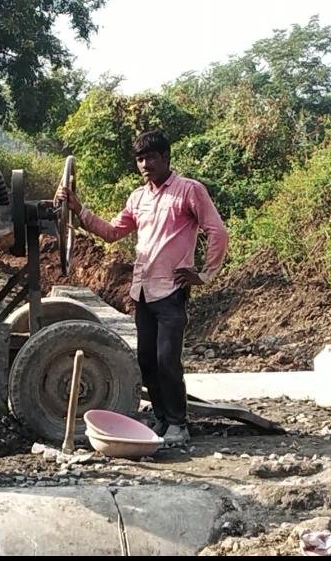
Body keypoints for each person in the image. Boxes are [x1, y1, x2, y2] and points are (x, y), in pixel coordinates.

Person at [56, 129, 228, 445]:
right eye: (140, 159)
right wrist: (78, 209)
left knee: (167, 361)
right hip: (143, 292)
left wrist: (204, 274)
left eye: (150, 157)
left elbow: (217, 231)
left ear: (166, 157)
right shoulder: (138, 198)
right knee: (147, 361)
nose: (145, 164)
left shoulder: (189, 191)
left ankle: (178, 424)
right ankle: (162, 419)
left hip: (171, 291)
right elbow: (112, 232)